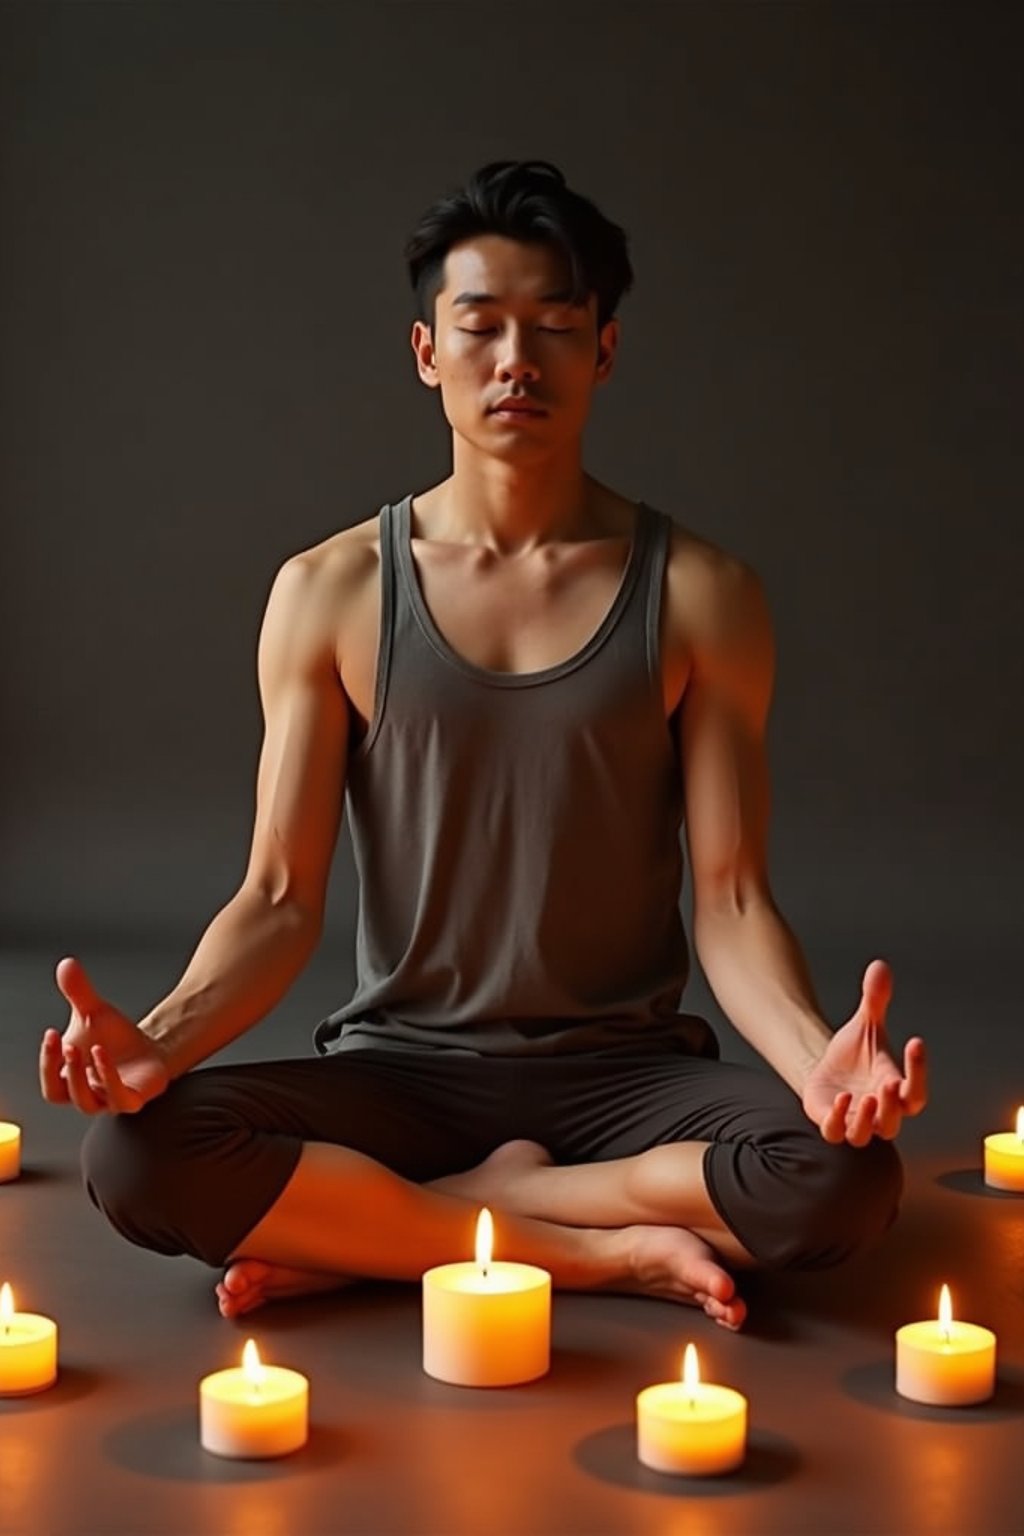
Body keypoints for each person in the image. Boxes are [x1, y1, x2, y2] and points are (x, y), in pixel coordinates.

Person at [41, 160, 926, 1330]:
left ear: (603, 352)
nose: (519, 360)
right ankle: (598, 1251)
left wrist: (818, 1061)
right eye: (483, 327)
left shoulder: (704, 593)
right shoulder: (330, 590)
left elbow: (730, 899)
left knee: (843, 1183)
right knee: (137, 1159)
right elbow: (277, 898)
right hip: (400, 1073)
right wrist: (155, 1043)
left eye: (557, 328)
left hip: (627, 1075)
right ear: (426, 352)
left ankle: (406, 1227)